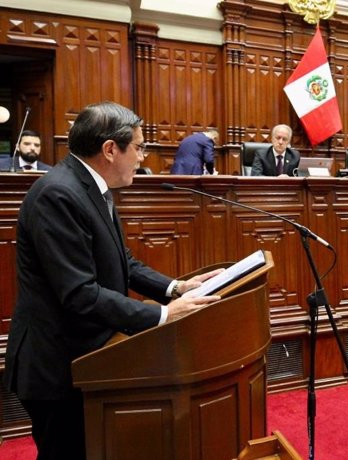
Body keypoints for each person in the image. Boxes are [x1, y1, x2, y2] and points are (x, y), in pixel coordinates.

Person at [3, 102, 222, 460]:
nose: (141, 156)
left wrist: (176, 288)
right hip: (57, 366)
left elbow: (124, 263)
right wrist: (164, 316)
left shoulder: (90, 187)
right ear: (109, 149)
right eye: (138, 147)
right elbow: (79, 293)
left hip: (87, 356)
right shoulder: (57, 194)